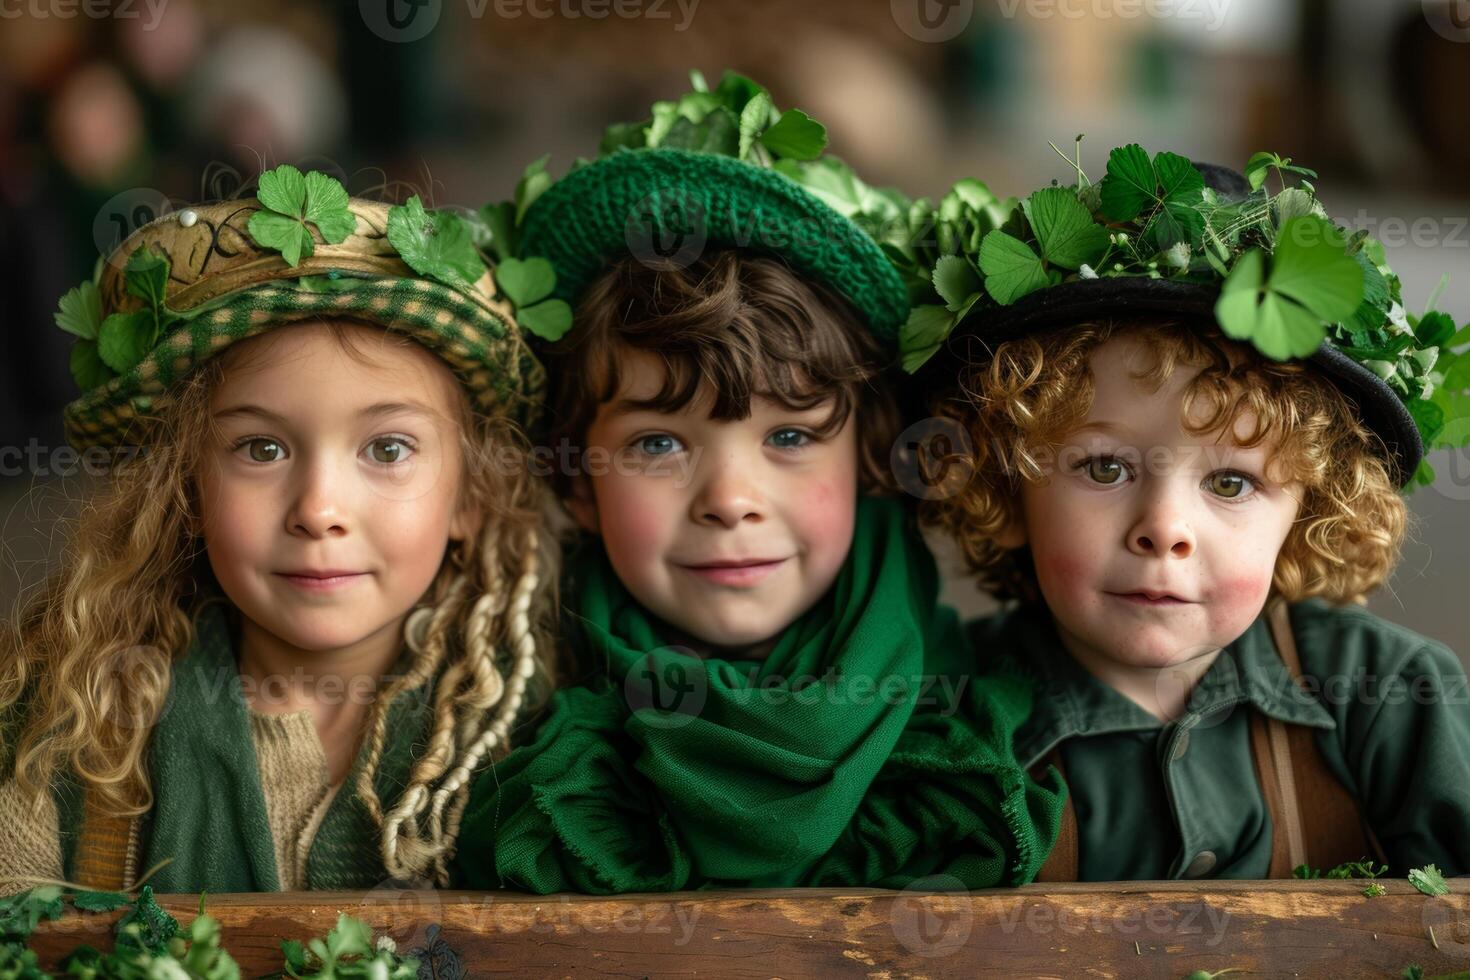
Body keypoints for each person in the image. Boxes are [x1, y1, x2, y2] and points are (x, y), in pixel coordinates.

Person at [451, 71, 1064, 894]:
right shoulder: (489, 709)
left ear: (874, 456)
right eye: (660, 444)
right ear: (577, 482)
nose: (730, 500)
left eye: (788, 435)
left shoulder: (991, 721)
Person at [913, 147, 1470, 879]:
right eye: (1104, 467)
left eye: (1233, 484)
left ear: (1307, 513)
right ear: (1007, 486)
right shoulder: (948, 713)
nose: (1164, 529)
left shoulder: (1392, 697)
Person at [0, 168, 559, 893]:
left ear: (470, 494)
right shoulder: (67, 737)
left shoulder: (533, 739)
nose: (318, 508)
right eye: (261, 449)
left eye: (388, 449)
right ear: (187, 488)